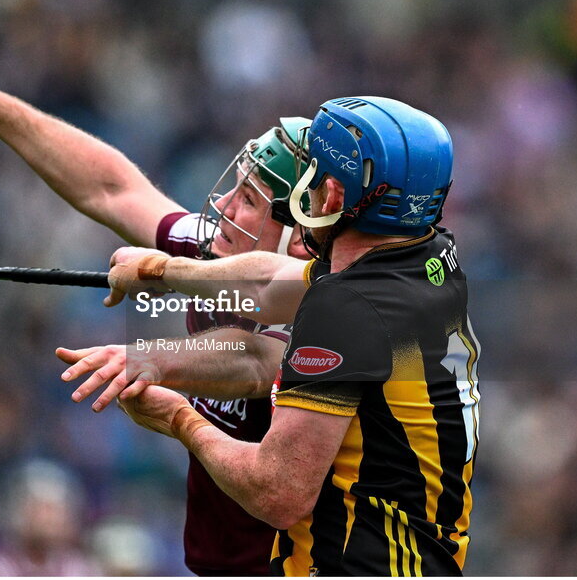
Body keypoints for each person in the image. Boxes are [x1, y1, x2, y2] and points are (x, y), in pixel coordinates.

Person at [0, 16, 313, 576]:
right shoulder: (215, 255)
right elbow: (111, 188)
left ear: (298, 233)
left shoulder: (324, 302)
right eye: (235, 187)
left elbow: (255, 361)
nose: (224, 208)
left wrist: (145, 359)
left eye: (249, 199)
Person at [113, 96, 481, 576]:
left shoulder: (346, 310)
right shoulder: (429, 259)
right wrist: (162, 268)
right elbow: (274, 284)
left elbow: (278, 492)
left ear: (330, 197)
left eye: (310, 178)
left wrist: (181, 419)